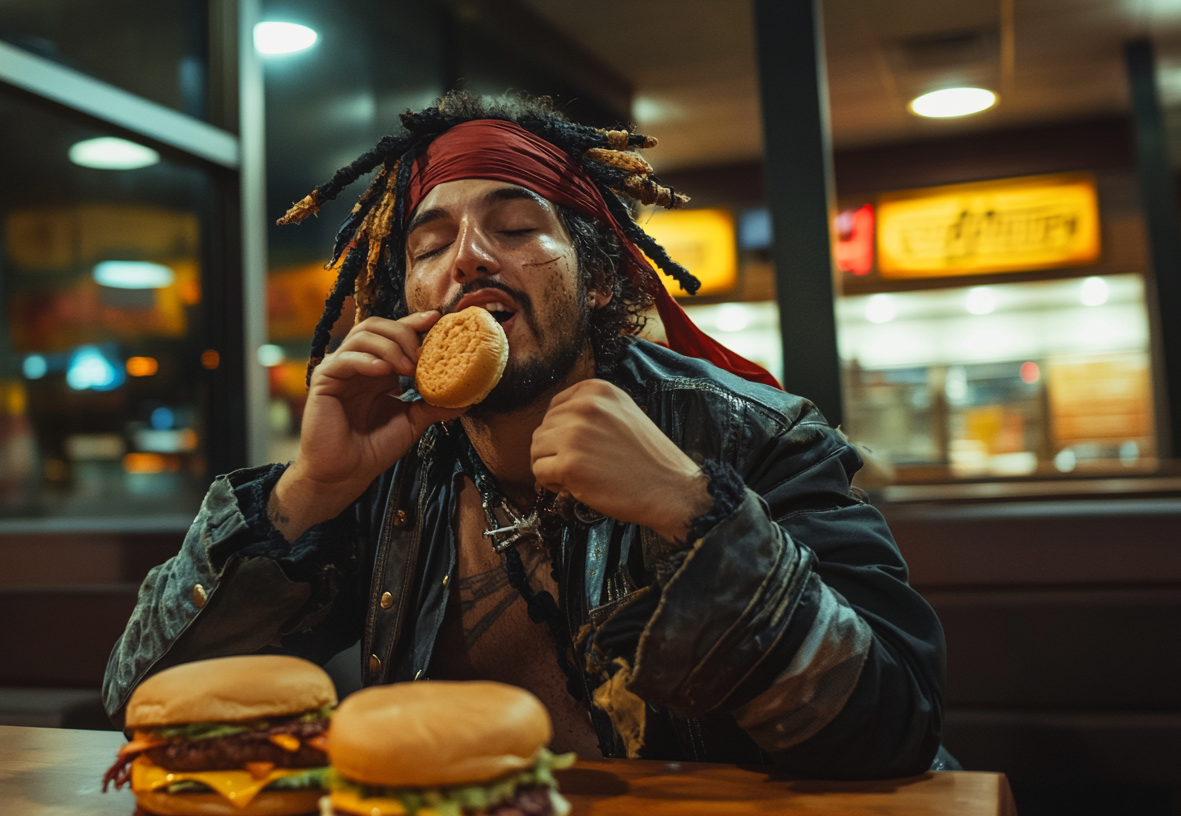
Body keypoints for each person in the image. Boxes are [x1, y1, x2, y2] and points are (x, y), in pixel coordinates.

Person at [103, 92, 946, 779]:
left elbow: (892, 726)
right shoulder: (392, 465)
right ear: (408, 299)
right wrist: (309, 494)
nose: (467, 257)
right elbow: (143, 699)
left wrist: (696, 513)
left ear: (602, 276)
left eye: (514, 228)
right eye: (429, 245)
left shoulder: (751, 436)